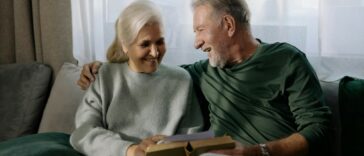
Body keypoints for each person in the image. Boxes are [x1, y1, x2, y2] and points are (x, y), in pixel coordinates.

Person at [78, 0, 332, 155]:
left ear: (229, 25)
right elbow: (150, 70)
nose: (196, 42)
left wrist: (258, 153)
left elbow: (320, 129)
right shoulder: (200, 72)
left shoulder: (287, 59)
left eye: (200, 30)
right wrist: (106, 67)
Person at [70, 1, 203, 156]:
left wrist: (170, 145)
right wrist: (131, 150)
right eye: (145, 44)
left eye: (160, 42)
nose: (154, 53)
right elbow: (83, 133)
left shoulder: (182, 80)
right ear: (125, 45)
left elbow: (194, 136)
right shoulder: (104, 75)